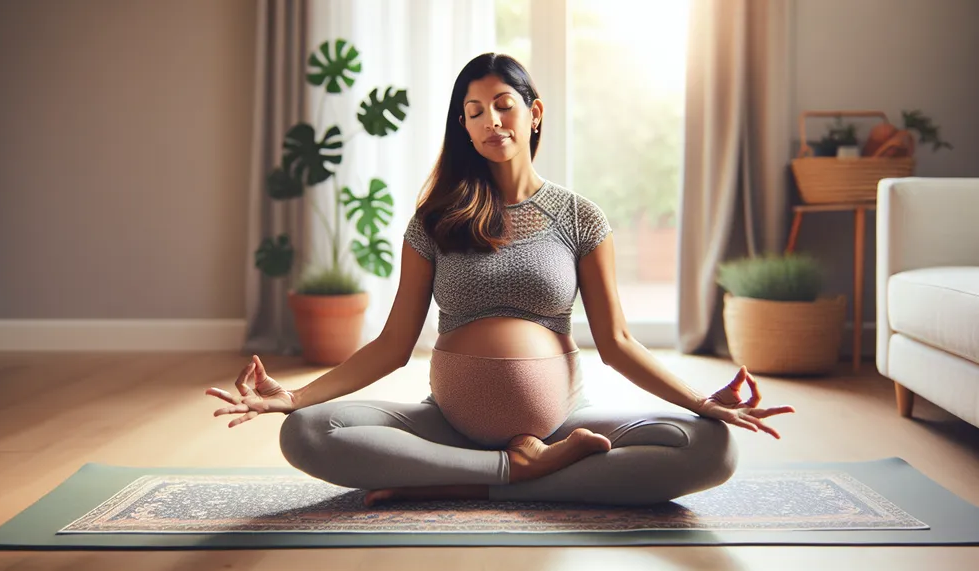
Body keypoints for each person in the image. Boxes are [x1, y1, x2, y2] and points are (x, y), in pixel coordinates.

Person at [207, 53, 795, 508]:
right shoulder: (435, 221)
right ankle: (518, 474)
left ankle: (461, 484)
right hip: (448, 423)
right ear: (463, 127)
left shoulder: (578, 217)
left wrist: (698, 402)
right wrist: (293, 397)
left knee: (711, 448)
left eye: (503, 103)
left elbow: (617, 343)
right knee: (305, 433)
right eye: (474, 111)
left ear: (534, 112)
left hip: (563, 421)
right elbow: (392, 346)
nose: (491, 120)